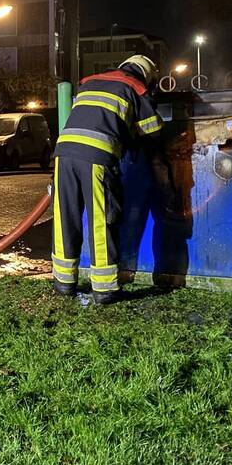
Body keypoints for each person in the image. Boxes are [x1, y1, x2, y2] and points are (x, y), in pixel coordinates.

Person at [51, 55, 164, 304]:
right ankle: (104, 290)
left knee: (65, 218)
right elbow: (153, 130)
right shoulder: (135, 87)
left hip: (63, 153)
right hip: (96, 155)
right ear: (146, 75)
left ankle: (63, 283)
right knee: (100, 219)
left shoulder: (90, 82)